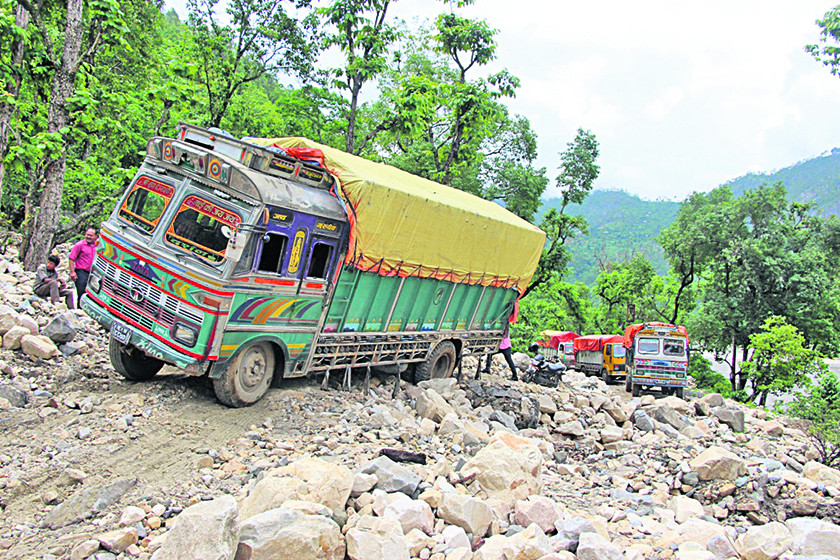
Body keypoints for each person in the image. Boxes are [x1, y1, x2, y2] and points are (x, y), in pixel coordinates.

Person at [69, 228, 97, 301]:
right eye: (87, 235)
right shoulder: (79, 245)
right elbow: (71, 258)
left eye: (91, 235)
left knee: (92, 293)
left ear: (95, 237)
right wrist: (72, 272)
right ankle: (79, 310)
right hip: (81, 272)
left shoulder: (98, 246)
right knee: (81, 292)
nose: (88, 237)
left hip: (93, 273)